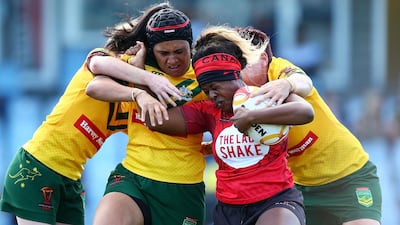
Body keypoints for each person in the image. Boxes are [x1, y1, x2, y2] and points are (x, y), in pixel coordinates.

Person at [144, 25, 314, 225]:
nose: (212, 95)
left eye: (215, 87)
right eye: (207, 91)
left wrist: (252, 117)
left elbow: (305, 112)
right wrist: (142, 74)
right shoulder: (209, 112)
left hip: (275, 201)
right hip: (228, 210)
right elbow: (154, 119)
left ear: (233, 75)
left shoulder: (264, 95)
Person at [238, 26, 382, 225]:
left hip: (349, 178)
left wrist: (288, 85)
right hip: (301, 191)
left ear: (263, 59)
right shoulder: (238, 97)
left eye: (242, 64)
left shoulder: (279, 71)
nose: (236, 73)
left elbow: (303, 81)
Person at [85, 3, 210, 225]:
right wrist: (137, 90)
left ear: (190, 47)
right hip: (134, 177)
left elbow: (158, 119)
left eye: (179, 51)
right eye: (164, 53)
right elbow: (95, 87)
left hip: (183, 189)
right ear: (153, 50)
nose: (172, 60)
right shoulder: (137, 66)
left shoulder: (204, 78)